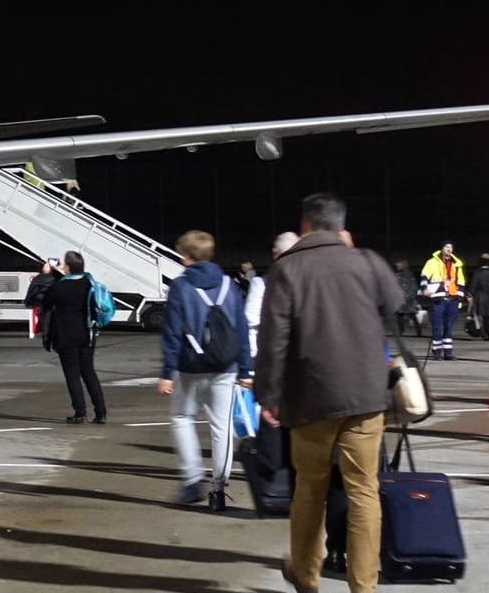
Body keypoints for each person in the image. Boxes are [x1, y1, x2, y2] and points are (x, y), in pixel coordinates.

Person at [256, 192, 402, 593]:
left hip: (311, 398)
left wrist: (268, 395)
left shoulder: (287, 269)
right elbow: (395, 302)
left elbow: (273, 340)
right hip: (367, 397)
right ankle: (363, 586)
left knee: (309, 490)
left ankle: (306, 575)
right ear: (342, 227)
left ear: (304, 226)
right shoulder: (367, 261)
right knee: (363, 491)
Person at [159, 231, 254, 512]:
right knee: (221, 426)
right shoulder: (229, 284)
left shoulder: (181, 286)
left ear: (186, 255)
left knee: (181, 417)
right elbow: (241, 329)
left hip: (191, 366)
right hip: (225, 366)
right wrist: (246, 368)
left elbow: (172, 331)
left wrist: (167, 371)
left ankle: (192, 479)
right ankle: (218, 489)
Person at [39, 250, 107, 424]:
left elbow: (45, 301)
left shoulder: (59, 286)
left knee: (72, 374)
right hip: (87, 333)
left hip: (65, 334)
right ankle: (101, 412)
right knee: (89, 372)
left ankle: (80, 412)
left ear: (67, 267)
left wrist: (46, 275)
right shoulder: (89, 283)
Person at [246, 232, 297, 362]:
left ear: (275, 253)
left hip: (271, 355)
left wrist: (253, 357)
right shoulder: (310, 282)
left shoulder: (261, 284)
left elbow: (251, 322)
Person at [419, 242, 467, 360]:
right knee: (437, 326)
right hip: (438, 298)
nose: (449, 249)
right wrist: (424, 289)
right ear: (441, 248)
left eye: (451, 247)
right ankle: (437, 352)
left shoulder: (457, 264)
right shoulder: (432, 262)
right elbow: (424, 276)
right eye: (447, 247)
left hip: (452, 299)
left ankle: (448, 353)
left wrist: (460, 296)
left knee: (449, 327)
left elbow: (460, 281)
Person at [391, 259, 421, 338]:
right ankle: (419, 332)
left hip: (402, 298)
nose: (397, 266)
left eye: (398, 265)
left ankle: (401, 332)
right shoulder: (410, 275)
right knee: (412, 315)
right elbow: (415, 287)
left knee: (400, 315)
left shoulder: (397, 276)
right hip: (410, 298)